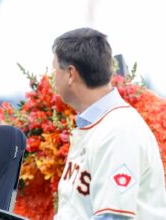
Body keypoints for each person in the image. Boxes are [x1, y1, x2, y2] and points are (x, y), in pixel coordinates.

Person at [52, 27, 166, 220]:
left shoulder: (119, 130)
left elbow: (113, 217)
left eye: (55, 69)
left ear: (71, 74)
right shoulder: (99, 125)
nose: (53, 76)